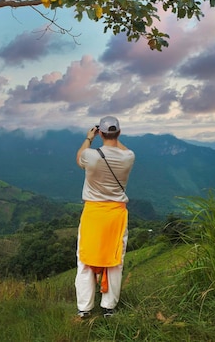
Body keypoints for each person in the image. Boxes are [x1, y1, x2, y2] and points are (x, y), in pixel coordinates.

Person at [74, 115, 135, 319]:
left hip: (93, 214)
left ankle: (84, 308)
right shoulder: (129, 157)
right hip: (116, 216)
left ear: (100, 132)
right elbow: (122, 149)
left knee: (85, 260)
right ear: (118, 133)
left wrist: (89, 138)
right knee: (115, 260)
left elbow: (79, 158)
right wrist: (112, 137)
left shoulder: (91, 155)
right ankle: (109, 307)